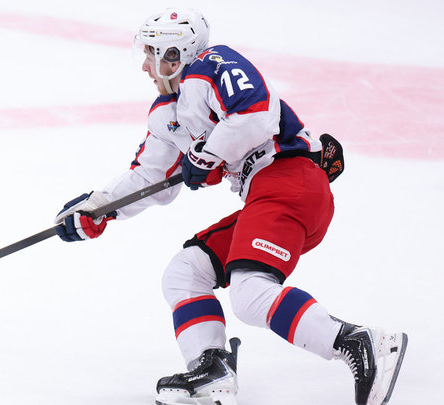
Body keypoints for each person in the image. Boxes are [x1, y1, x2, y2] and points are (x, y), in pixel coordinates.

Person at [54, 8, 407, 405]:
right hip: (269, 196)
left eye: (152, 53)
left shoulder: (213, 64)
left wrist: (208, 153)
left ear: (175, 54)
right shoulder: (167, 113)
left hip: (290, 181)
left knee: (250, 293)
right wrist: (99, 207)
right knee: (185, 272)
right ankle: (212, 368)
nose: (145, 66)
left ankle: (358, 342)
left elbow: (256, 115)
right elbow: (150, 176)